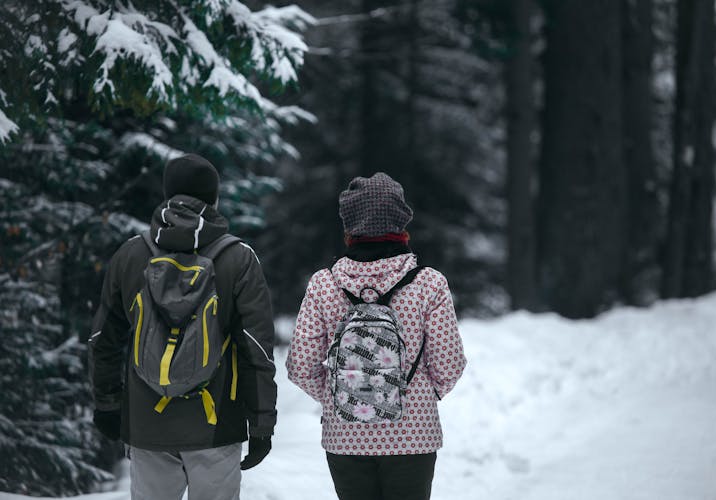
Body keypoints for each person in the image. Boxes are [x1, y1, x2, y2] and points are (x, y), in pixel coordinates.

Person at [89, 154, 277, 500]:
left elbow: (104, 339)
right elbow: (256, 348)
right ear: (214, 198)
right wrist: (261, 422)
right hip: (216, 423)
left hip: (147, 424)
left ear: (167, 194)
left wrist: (107, 404)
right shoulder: (239, 258)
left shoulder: (130, 254)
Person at [286, 172, 467, 500]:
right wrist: (421, 395)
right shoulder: (429, 283)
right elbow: (449, 363)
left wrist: (341, 395)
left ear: (348, 227)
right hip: (413, 435)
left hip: (345, 436)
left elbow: (300, 366)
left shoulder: (324, 284)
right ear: (402, 223)